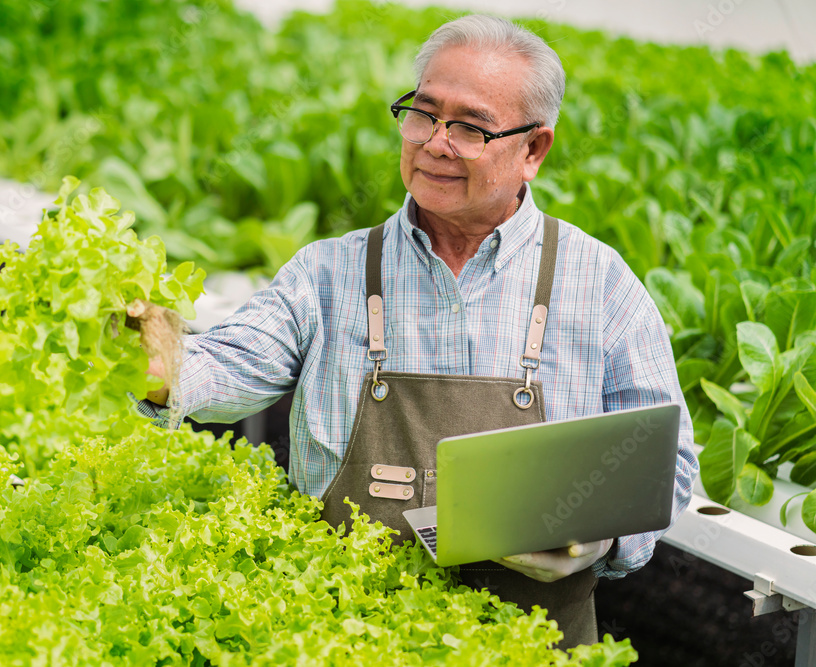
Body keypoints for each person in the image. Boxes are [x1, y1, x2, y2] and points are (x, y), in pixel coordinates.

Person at [131, 14, 698, 649]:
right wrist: (155, 365)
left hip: (531, 643)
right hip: (343, 634)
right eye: (423, 115)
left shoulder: (599, 285)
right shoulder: (331, 272)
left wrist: (599, 537)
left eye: (470, 128)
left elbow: (666, 465)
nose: (434, 143)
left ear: (534, 150)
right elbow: (226, 368)